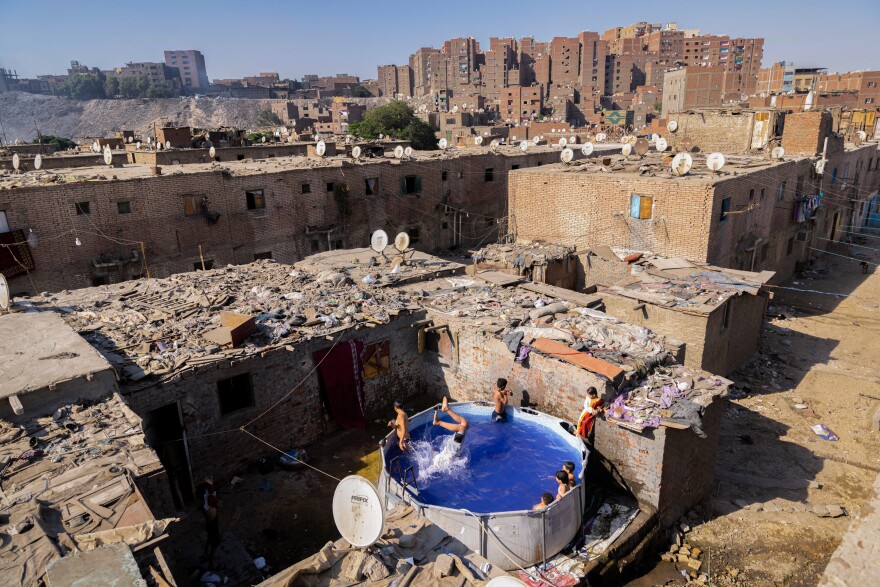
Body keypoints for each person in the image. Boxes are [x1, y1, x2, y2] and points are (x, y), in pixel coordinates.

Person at [197, 476, 221, 568]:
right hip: (213, 522)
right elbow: (215, 502)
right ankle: (212, 563)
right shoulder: (208, 502)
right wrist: (211, 485)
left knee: (209, 537)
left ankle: (205, 553)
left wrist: (211, 484)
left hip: (209, 522)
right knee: (215, 543)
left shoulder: (204, 503)